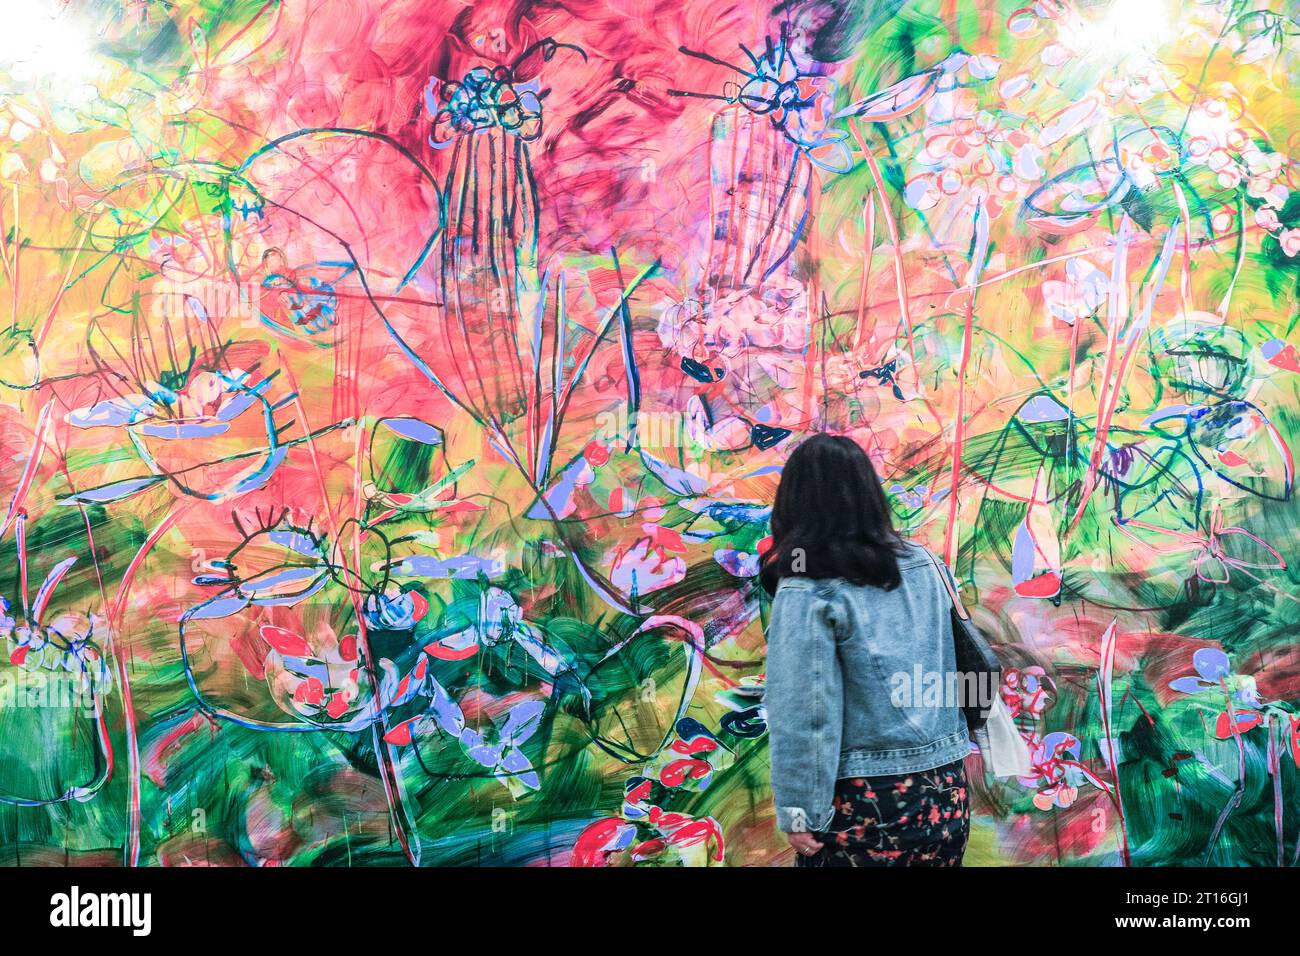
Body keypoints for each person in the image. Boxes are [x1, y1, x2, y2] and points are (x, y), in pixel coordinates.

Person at [761, 433, 971, 867]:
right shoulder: (926, 564)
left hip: (865, 806)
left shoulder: (806, 585)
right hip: (947, 792)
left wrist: (800, 809)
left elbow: (805, 708)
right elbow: (960, 664)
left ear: (794, 501)